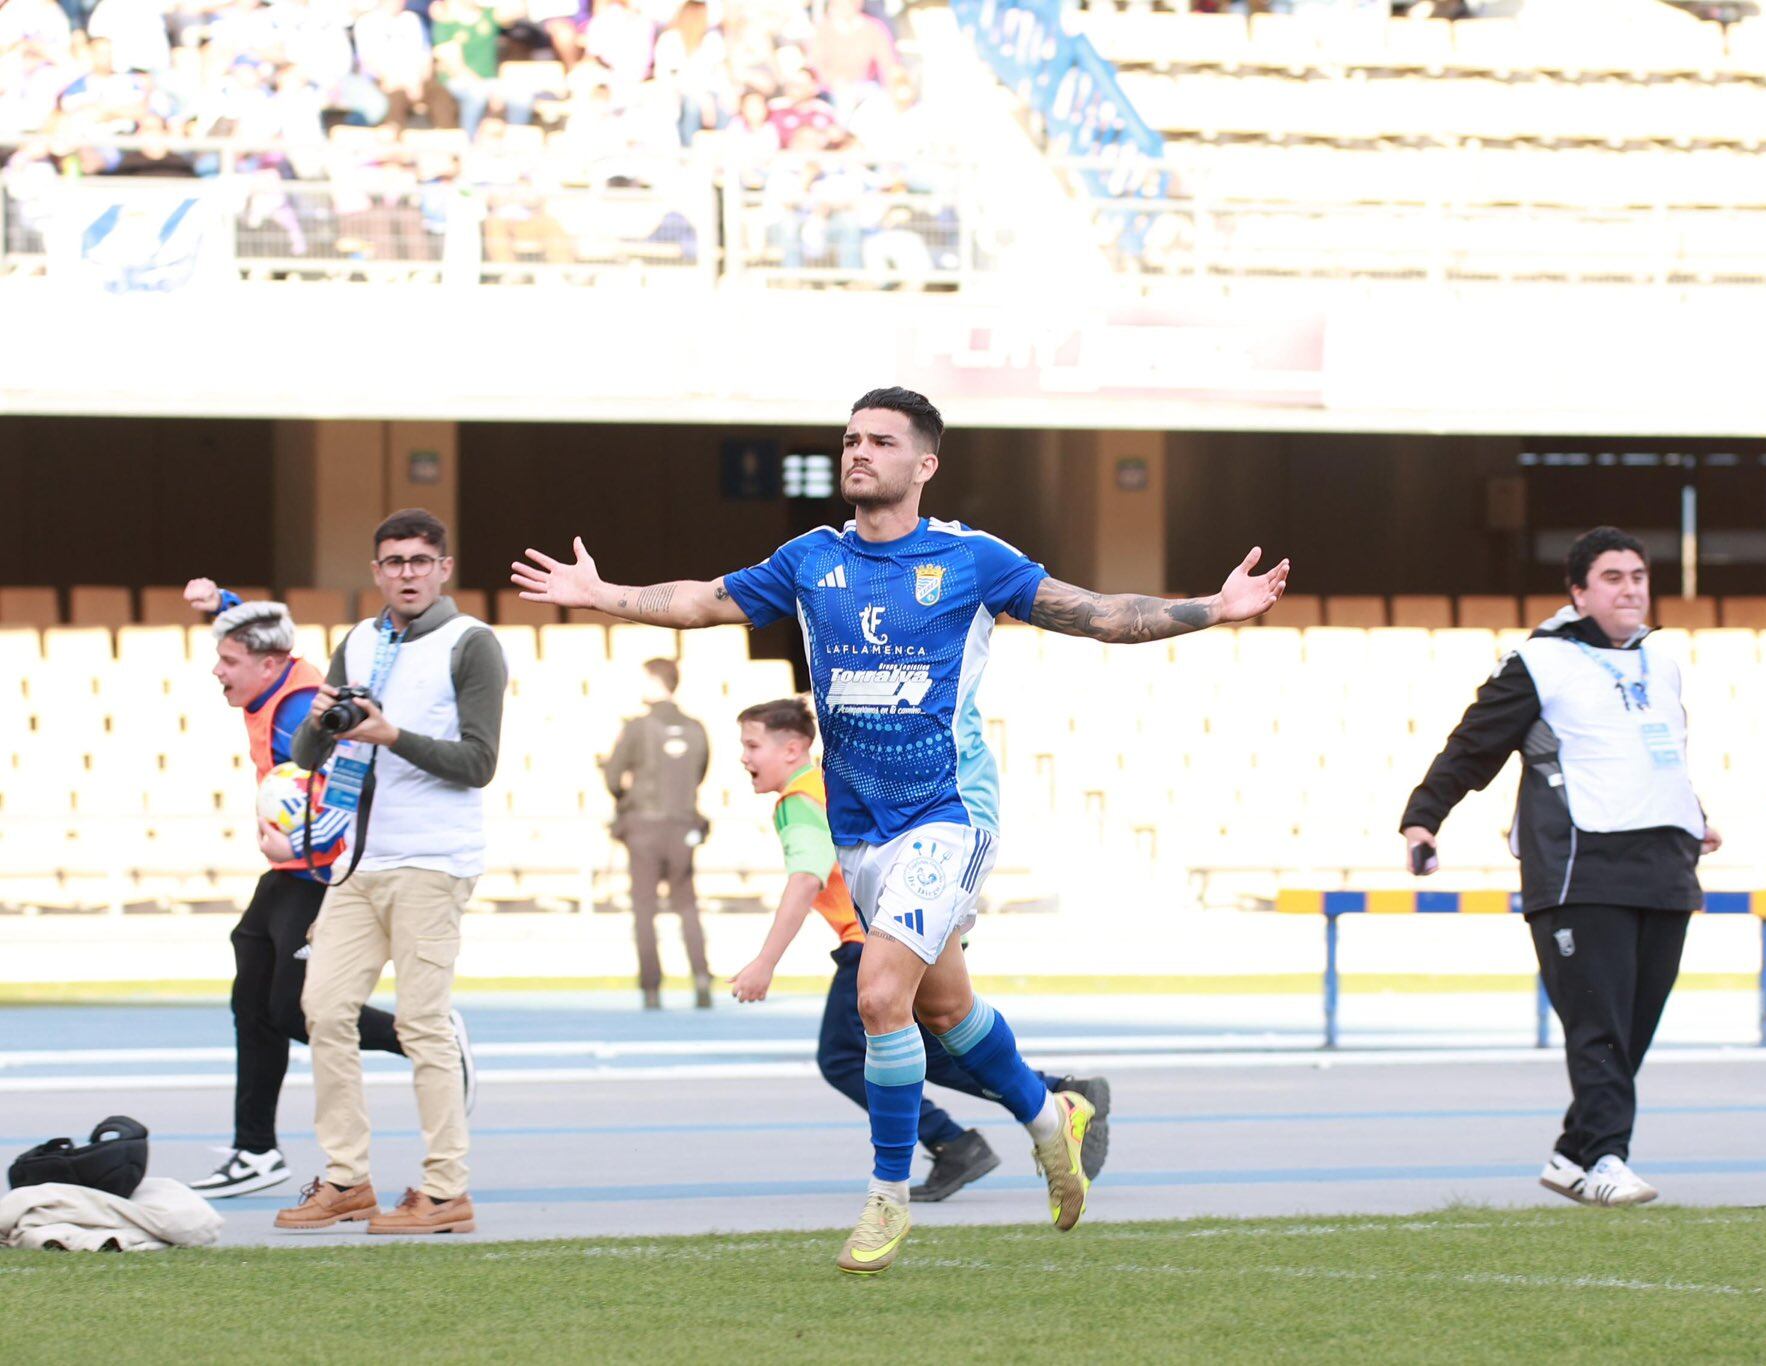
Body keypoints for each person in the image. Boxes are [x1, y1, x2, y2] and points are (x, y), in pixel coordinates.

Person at [512, 384, 1289, 1274]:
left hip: (948, 813)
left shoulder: (972, 560)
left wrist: (1213, 608)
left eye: (880, 441)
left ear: (925, 464)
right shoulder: (810, 559)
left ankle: (886, 1196)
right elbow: (702, 600)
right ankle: (1053, 1116)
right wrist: (600, 594)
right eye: (851, 438)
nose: (858, 451)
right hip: (861, 829)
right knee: (946, 1009)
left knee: (880, 996)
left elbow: (1099, 615)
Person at [1399, 526, 1721, 1209]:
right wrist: (1424, 818)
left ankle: (1573, 1153)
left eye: (1638, 576)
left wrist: (1694, 814)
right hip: (1581, 866)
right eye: (1613, 577)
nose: (1630, 589)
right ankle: (1605, 1159)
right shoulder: (1538, 661)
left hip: (1665, 864)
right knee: (1598, 1027)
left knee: (1632, 1030)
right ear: (1578, 592)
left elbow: (1656, 752)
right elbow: (1473, 746)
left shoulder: (1662, 665)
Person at [727, 697, 1110, 1202]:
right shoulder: (830, 785)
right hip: (917, 925)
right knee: (934, 1047)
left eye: (752, 745)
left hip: (873, 941)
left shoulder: (800, 801)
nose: (744, 757)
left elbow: (806, 878)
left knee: (844, 1057)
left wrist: (765, 962)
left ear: (793, 749)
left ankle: (952, 1143)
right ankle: (1051, 1097)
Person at [278, 508, 507, 1237]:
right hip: (361, 858)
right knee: (323, 1009)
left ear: (443, 568)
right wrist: (323, 717)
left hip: (433, 859)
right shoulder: (358, 642)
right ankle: (346, 1178)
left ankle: (445, 1189)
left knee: (421, 1023)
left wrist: (391, 734)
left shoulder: (471, 643)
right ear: (376, 572)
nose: (407, 573)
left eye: (420, 561)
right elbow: (307, 756)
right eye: (394, 562)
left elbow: (479, 762)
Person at [175, 585, 422, 1200]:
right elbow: (261, 628)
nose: (217, 671)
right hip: (292, 874)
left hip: (323, 876)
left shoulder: (296, 714)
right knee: (251, 997)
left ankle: (422, 1036)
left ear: (267, 666)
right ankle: (255, 1149)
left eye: (227, 662)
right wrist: (220, 599)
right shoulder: (275, 676)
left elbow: (352, 785)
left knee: (288, 1009)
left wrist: (300, 847)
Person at [602, 656, 712, 1011]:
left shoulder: (638, 727)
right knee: (687, 905)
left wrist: (625, 798)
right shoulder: (696, 728)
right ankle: (701, 979)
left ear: (654, 681)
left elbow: (612, 777)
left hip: (644, 827)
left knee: (644, 908)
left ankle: (651, 988)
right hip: (683, 826)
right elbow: (699, 773)